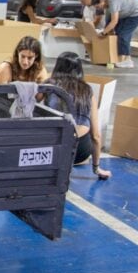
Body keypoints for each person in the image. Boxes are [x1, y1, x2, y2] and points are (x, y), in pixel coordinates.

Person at [45, 52, 112, 180]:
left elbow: (31, 105)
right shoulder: (87, 91)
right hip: (80, 150)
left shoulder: (50, 85)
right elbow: (96, 135)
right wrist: (96, 168)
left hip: (54, 148)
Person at [90, 0, 138, 68]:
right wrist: (105, 31)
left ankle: (127, 61)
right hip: (126, 13)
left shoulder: (113, 2)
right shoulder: (107, 6)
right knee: (118, 33)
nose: (98, 9)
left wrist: (103, 33)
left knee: (123, 34)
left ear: (102, 0)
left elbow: (114, 21)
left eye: (98, 6)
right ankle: (119, 56)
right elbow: (108, 20)